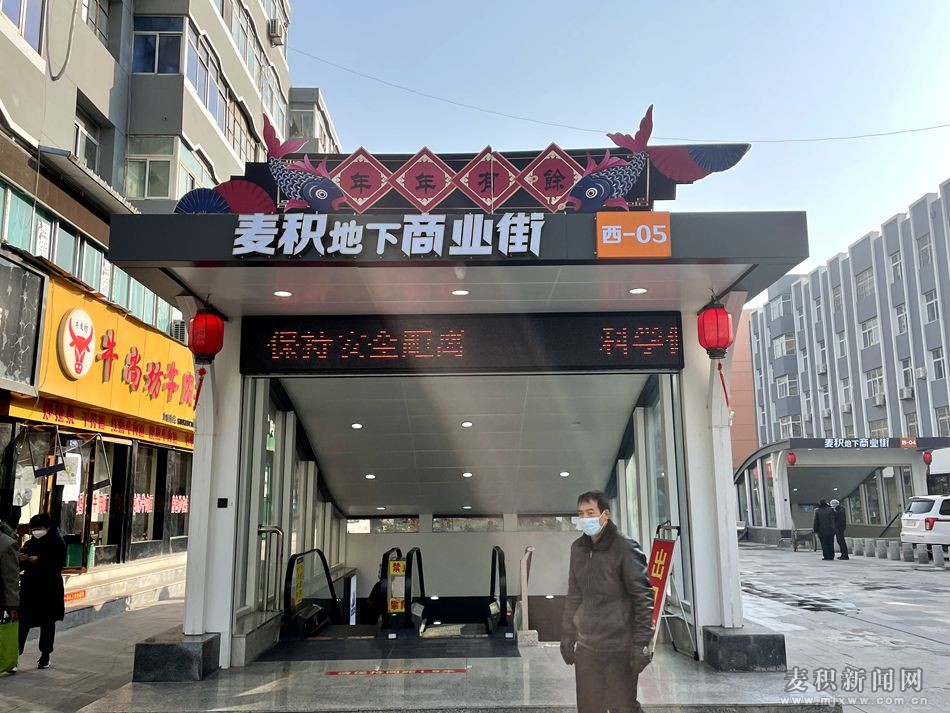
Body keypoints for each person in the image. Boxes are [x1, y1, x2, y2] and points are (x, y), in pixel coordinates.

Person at [561, 491, 654, 713]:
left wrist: (641, 643)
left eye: (590, 512)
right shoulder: (578, 549)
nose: (585, 518)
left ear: (605, 515)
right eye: (581, 514)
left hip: (620, 647)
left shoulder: (625, 548)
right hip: (587, 647)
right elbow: (574, 595)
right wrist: (567, 635)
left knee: (623, 707)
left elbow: (643, 597)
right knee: (589, 708)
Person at [18, 514, 66, 669]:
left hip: (49, 588)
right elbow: (22, 564)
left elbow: (58, 563)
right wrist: (23, 559)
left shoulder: (57, 542)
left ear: (47, 528)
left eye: (39, 528)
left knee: (47, 623)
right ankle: (15, 654)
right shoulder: (31, 543)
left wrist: (39, 560)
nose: (36, 531)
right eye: (33, 529)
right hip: (30, 588)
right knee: (23, 622)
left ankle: (45, 655)